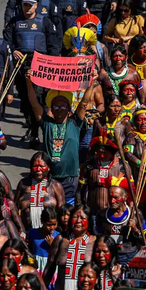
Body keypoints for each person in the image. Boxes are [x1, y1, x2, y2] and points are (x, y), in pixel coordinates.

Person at [26, 70, 98, 203]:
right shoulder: (46, 123)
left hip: (70, 177)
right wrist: (29, 82)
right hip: (49, 176)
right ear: (51, 109)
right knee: (51, 209)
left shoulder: (75, 122)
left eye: (63, 105)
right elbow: (34, 104)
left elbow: (84, 103)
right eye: (56, 106)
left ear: (69, 108)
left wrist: (91, 83)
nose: (59, 108)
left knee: (67, 210)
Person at [5, 0, 60, 145]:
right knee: (25, 99)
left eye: (30, 5)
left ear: (36, 5)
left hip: (41, 65)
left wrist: (51, 64)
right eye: (25, 5)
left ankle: (44, 132)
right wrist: (13, 50)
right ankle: (32, 130)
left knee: (40, 98)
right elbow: (7, 42)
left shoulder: (45, 22)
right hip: (21, 65)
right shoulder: (15, 22)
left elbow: (53, 45)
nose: (27, 8)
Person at [44, 204, 96, 290]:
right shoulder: (60, 240)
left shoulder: (95, 241)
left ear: (89, 221)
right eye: (75, 217)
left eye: (83, 218)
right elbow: (49, 269)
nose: (78, 221)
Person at [14, 152, 66, 231]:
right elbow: (14, 208)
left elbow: (62, 211)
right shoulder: (23, 184)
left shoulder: (56, 186)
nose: (38, 169)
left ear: (48, 167)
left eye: (42, 166)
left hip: (48, 233)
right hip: (26, 232)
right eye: (35, 166)